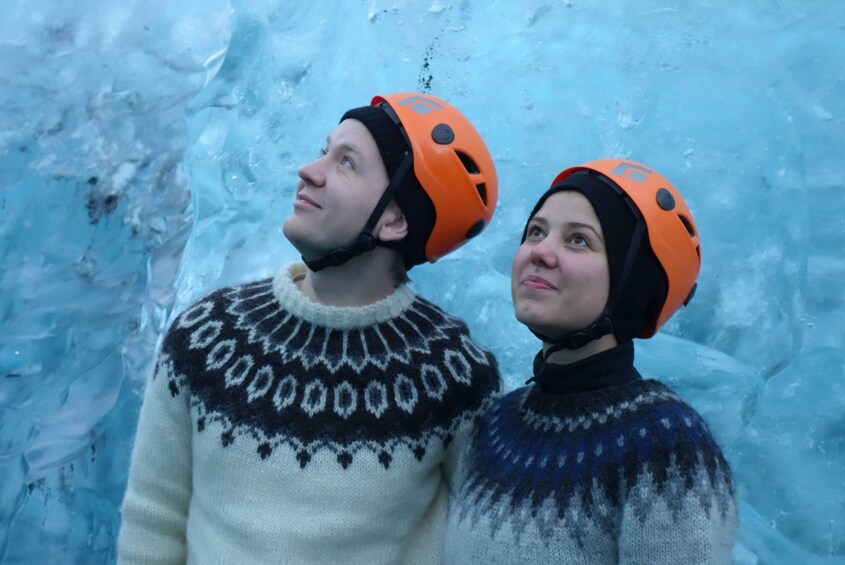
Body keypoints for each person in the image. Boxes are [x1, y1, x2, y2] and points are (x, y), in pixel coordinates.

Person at [118, 92, 502, 564]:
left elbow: (478, 545)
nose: (309, 170)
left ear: (394, 218)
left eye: (346, 163)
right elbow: (152, 519)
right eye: (324, 150)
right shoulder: (207, 336)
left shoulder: (453, 374)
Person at [445, 159, 738, 563]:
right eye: (535, 232)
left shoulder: (665, 446)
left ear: (630, 285)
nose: (540, 252)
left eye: (579, 240)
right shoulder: (496, 427)